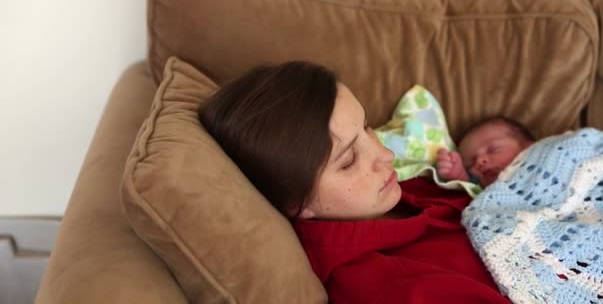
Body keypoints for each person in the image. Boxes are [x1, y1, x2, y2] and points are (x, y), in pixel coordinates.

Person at [199, 61, 509, 303]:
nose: (385, 154)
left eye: (368, 127)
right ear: (297, 202)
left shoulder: (393, 195)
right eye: (348, 160)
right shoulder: (392, 289)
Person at [437, 116, 534, 187]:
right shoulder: (486, 194)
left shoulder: (541, 158)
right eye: (470, 165)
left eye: (493, 150)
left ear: (528, 147)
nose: (479, 160)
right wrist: (459, 176)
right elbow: (473, 189)